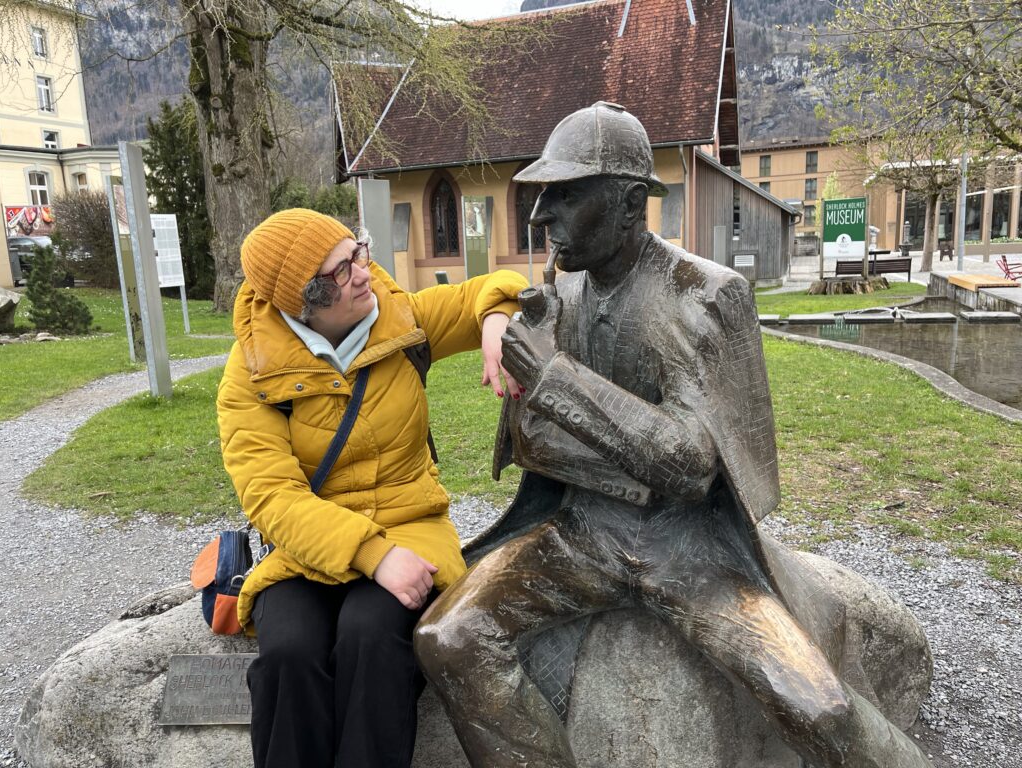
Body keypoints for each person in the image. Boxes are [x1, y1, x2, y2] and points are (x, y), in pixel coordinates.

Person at [414, 103, 932, 768]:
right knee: (448, 634)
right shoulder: (559, 287)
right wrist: (542, 402)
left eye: (566, 196)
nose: (542, 216)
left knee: (817, 704)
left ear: (631, 205)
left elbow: (691, 467)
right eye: (543, 195)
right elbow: (532, 449)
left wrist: (560, 383)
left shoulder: (704, 295)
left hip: (693, 550)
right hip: (584, 533)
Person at [216, 207, 527, 768]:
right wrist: (372, 555)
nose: (363, 271)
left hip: (410, 526)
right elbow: (271, 497)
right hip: (309, 546)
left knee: (371, 637)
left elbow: (496, 286)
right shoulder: (253, 373)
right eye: (342, 269)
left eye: (357, 251)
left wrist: (496, 322)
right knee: (288, 654)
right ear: (304, 301)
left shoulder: (399, 319)